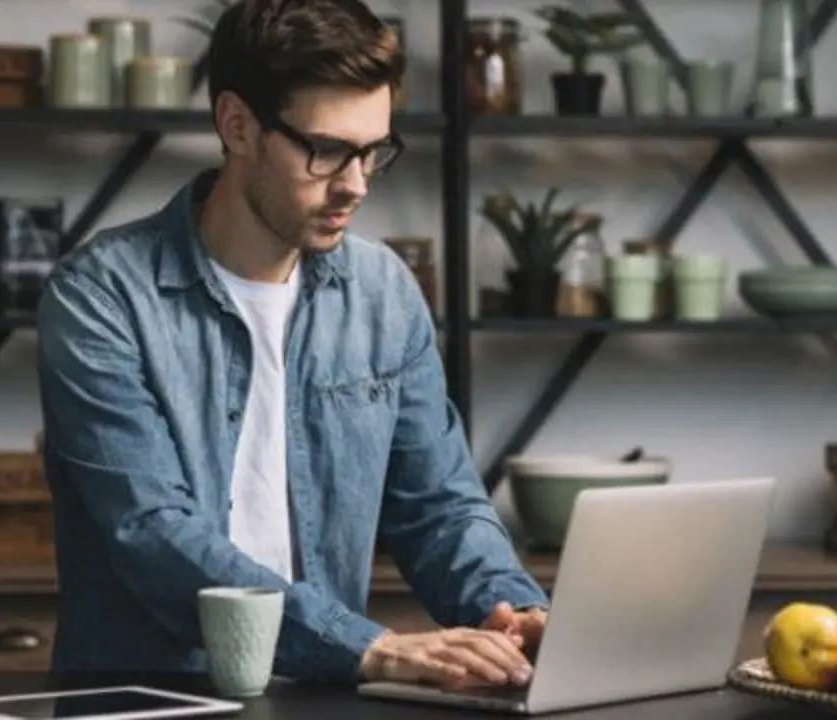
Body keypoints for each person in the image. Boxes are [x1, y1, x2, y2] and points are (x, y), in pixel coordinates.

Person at [36, 0, 548, 691]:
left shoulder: (383, 293)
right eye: (328, 150)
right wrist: (368, 648)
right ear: (237, 125)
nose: (356, 184)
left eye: (373, 152)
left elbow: (440, 505)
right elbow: (151, 533)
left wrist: (512, 613)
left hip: (320, 695)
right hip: (152, 698)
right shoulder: (100, 297)